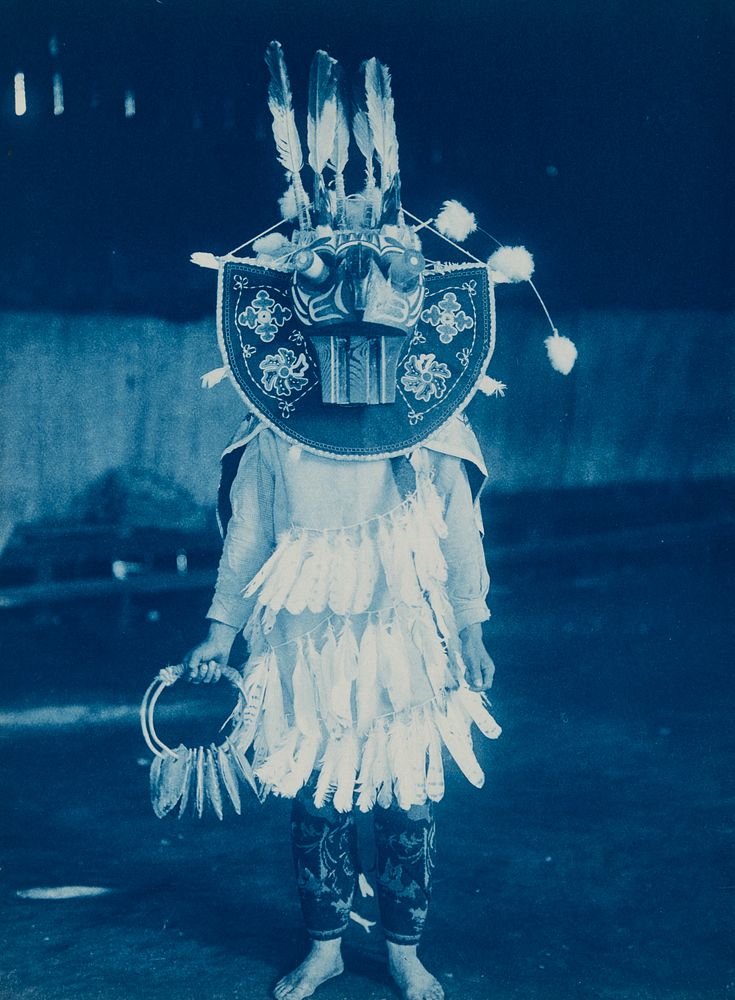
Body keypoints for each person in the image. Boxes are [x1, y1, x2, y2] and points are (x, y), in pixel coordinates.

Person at [183, 412, 498, 1000]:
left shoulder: (434, 420)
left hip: (403, 633)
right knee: (318, 790)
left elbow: (458, 527)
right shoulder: (274, 427)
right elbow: (248, 531)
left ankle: (405, 953)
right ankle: (324, 948)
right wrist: (220, 632)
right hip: (305, 638)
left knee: (406, 792)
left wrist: (472, 628)